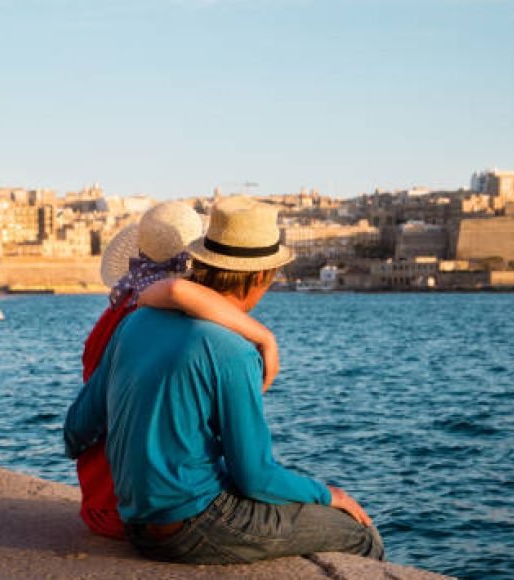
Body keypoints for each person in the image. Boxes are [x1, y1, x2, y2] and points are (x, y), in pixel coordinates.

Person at [65, 196, 384, 564]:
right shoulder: (234, 350)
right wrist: (329, 494)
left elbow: (75, 431)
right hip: (191, 526)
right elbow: (256, 477)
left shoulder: (133, 322)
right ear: (264, 276)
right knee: (360, 535)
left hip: (132, 522)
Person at [78, 201, 281, 540]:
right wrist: (262, 336)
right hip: (136, 507)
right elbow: (175, 290)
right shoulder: (166, 325)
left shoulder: (115, 315)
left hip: (99, 499)